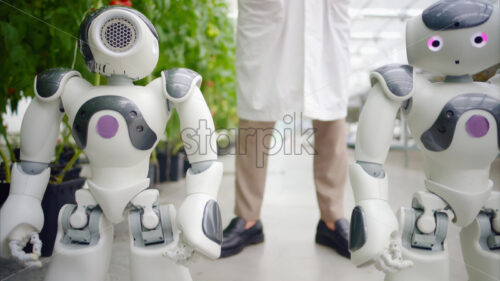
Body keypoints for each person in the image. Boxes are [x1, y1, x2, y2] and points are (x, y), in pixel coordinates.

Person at [222, 0, 351, 258]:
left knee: (331, 112)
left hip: (324, 12)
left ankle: (332, 219)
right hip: (268, 14)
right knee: (255, 112)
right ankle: (248, 219)